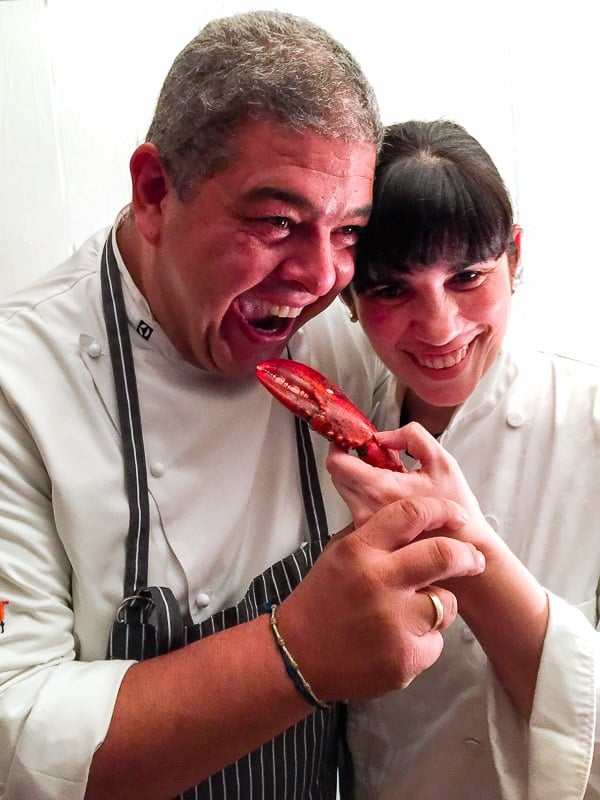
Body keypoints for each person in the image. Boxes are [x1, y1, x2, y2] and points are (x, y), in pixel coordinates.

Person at [0, 19, 489, 800]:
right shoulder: (18, 379)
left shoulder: (340, 338)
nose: (321, 275)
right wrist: (299, 652)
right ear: (156, 193)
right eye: (277, 223)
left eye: (349, 232)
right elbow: (14, 732)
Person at [328, 119, 600, 798]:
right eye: (392, 289)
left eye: (468, 276)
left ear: (514, 257)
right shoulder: (339, 437)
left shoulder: (588, 422)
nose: (442, 326)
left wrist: (460, 541)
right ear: (349, 298)